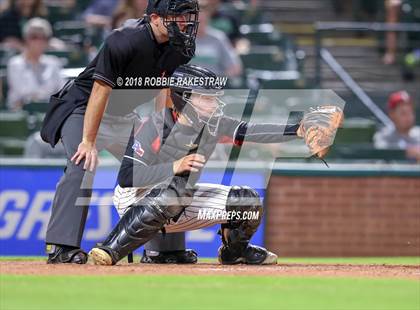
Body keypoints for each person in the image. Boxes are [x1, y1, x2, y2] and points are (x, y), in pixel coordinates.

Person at [88, 64, 304, 266]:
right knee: (174, 190)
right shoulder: (154, 125)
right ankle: (110, 250)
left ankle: (234, 252)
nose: (214, 104)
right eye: (206, 98)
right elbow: (127, 178)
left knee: (247, 201)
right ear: (184, 98)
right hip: (134, 200)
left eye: (214, 98)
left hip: (179, 198)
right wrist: (174, 166)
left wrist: (298, 130)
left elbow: (252, 130)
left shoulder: (213, 124)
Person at [41, 0, 200, 264]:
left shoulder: (180, 48)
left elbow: (165, 87)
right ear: (155, 18)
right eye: (176, 17)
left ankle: (164, 249)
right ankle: (61, 247)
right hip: (84, 108)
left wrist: (162, 133)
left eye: (186, 17)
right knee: (81, 164)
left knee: (161, 168)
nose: (184, 23)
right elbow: (100, 90)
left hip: (125, 116)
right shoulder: (124, 40)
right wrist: (89, 141)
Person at [7, 18, 64, 111]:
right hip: (23, 113)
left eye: (43, 37)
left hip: (48, 113)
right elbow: (21, 94)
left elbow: (62, 92)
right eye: (34, 37)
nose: (39, 41)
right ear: (26, 39)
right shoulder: (15, 63)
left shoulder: (54, 63)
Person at [191, 0, 242, 78]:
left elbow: (235, 67)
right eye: (196, 19)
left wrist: (221, 79)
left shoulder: (219, 38)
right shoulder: (181, 38)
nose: (199, 23)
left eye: (202, 20)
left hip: (212, 86)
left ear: (208, 18)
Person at [374, 91, 420, 161]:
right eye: (403, 113)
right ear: (392, 114)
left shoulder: (418, 134)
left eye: (410, 112)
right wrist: (405, 153)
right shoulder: (383, 136)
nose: (408, 117)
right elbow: (380, 153)